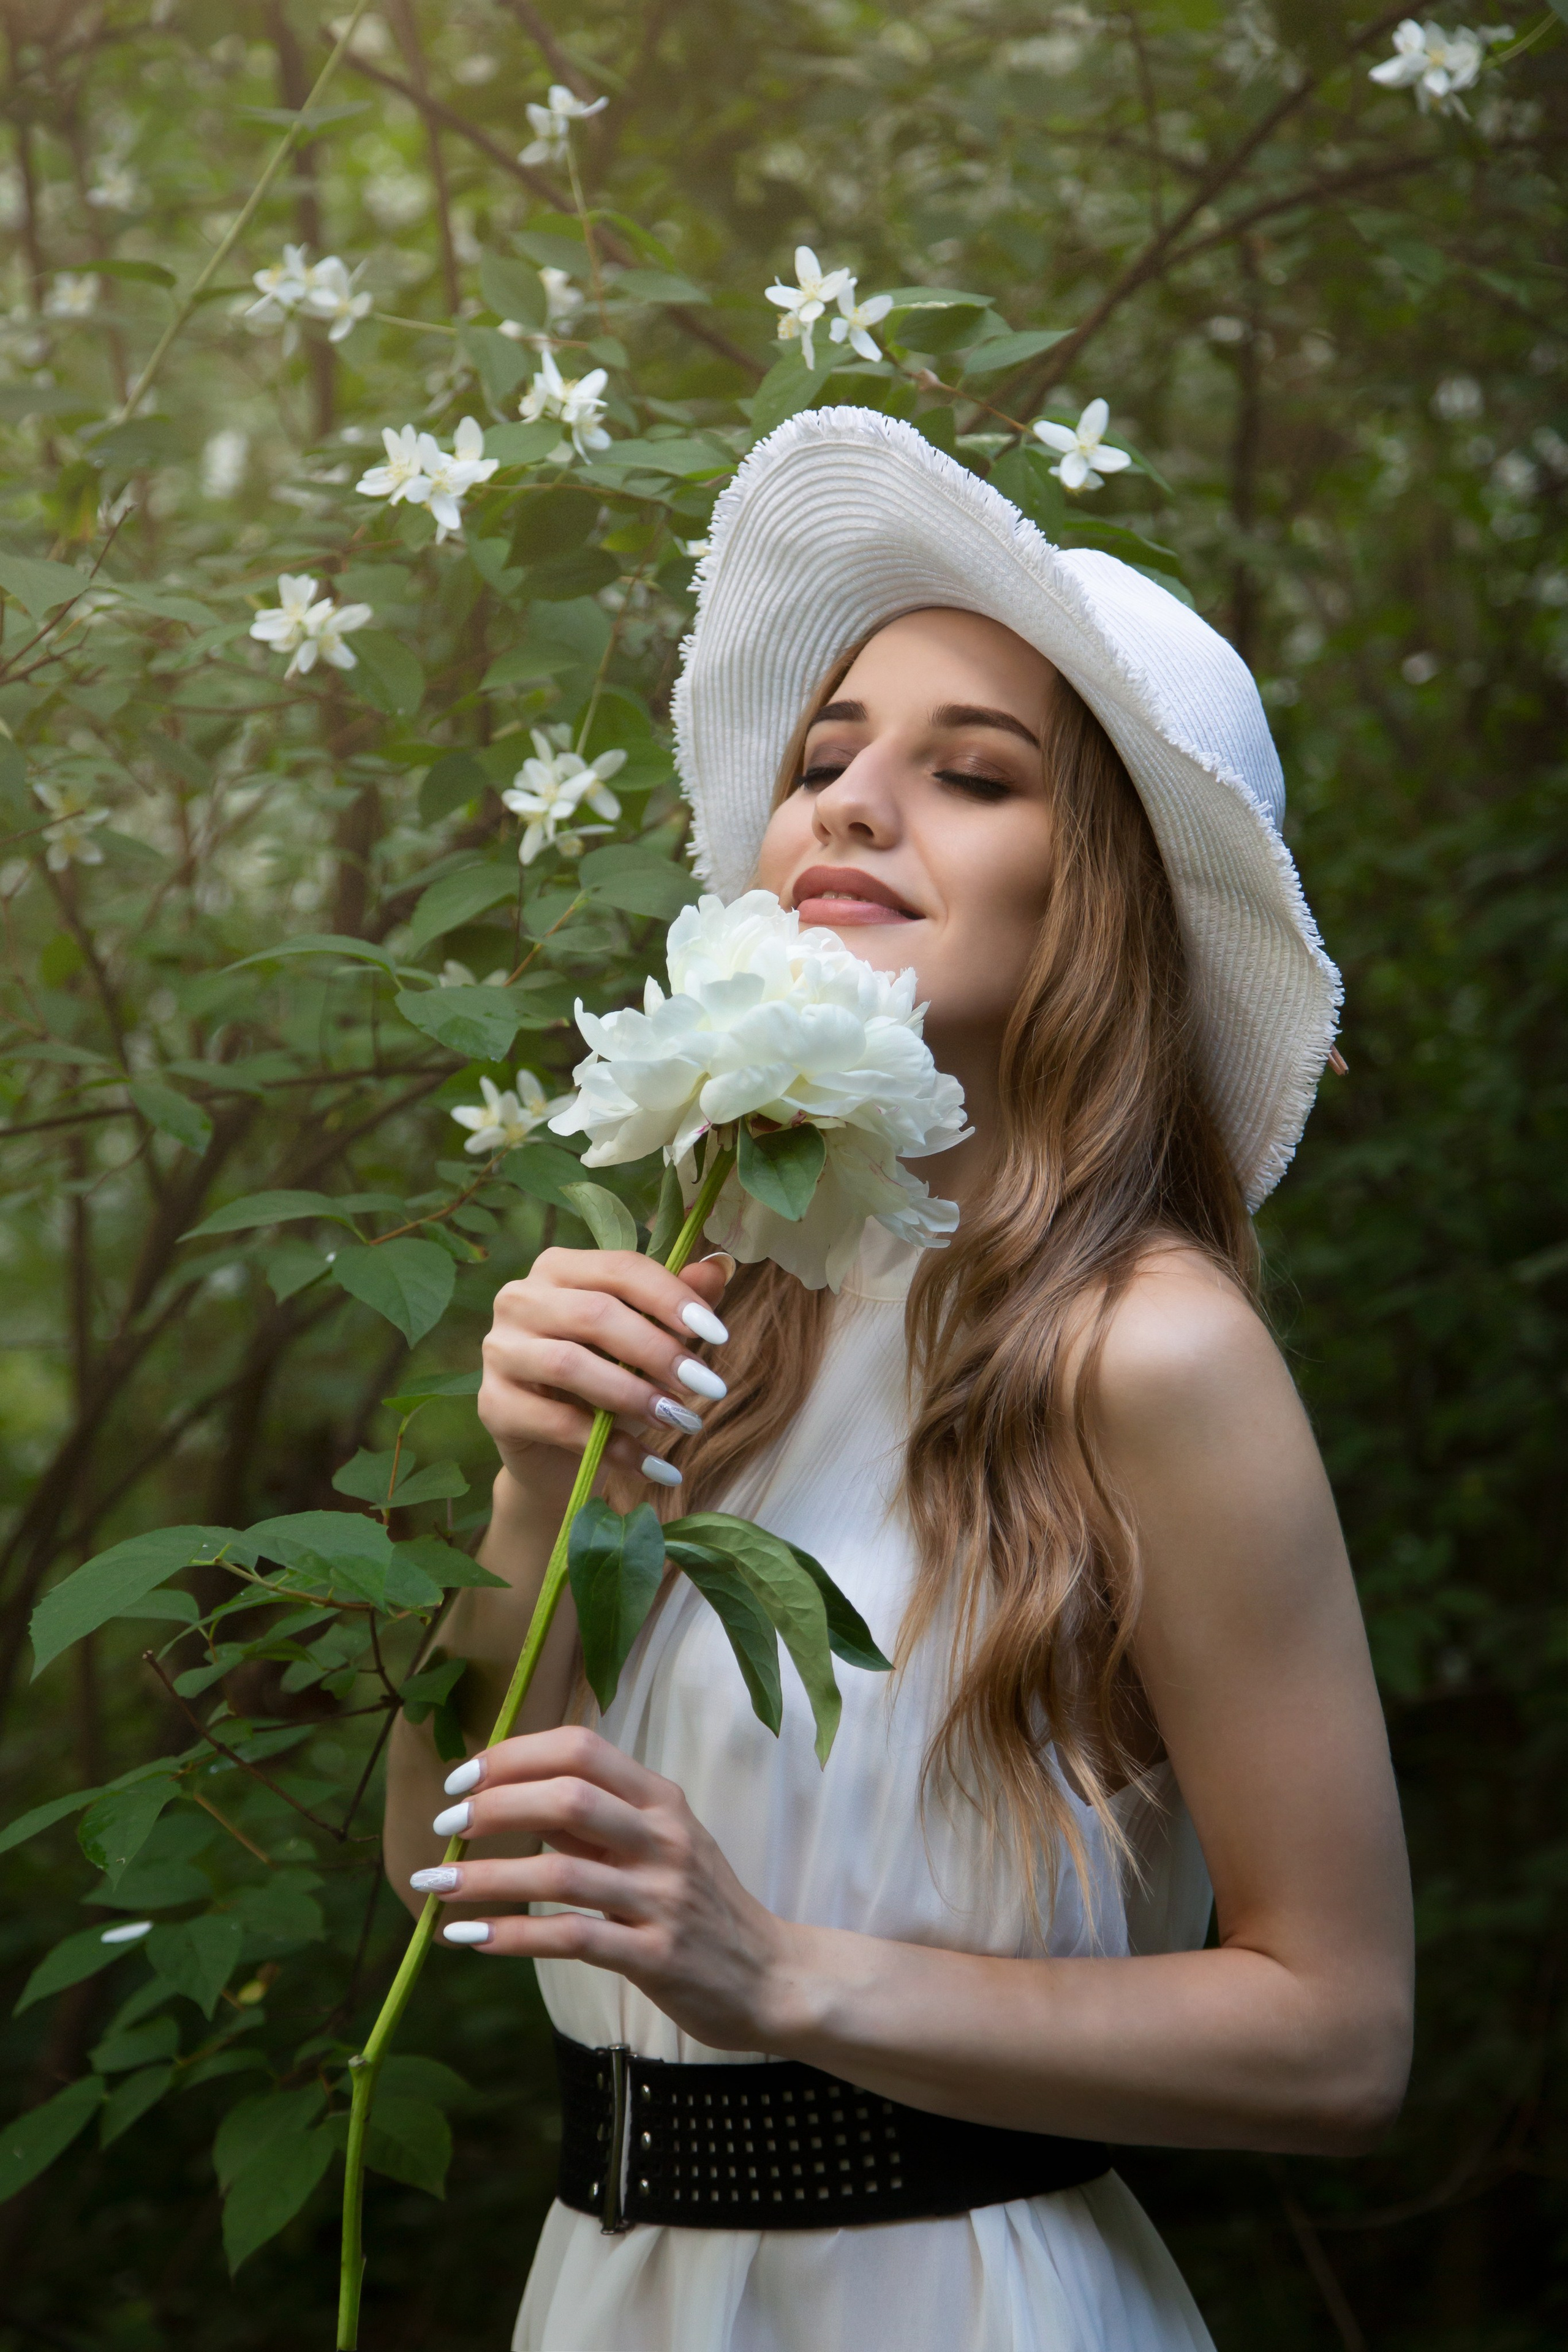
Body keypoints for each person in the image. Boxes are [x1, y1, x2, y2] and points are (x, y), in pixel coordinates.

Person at [383, 410, 1413, 2352]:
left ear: (1098, 892)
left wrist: (780, 1976)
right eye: (826, 756)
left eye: (974, 773)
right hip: (610, 2298)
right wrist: (537, 1494)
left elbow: (1341, 2037)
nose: (852, 802)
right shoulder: (714, 1303)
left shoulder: (1153, 1349)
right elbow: (440, 1867)